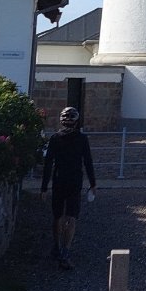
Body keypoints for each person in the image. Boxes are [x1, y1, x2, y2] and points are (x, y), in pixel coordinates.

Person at [40, 105, 96, 271]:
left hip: (59, 181)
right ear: (76, 122)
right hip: (75, 182)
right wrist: (93, 183)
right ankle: (65, 252)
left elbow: (48, 164)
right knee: (72, 217)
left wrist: (44, 187)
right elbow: (88, 161)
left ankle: (57, 247)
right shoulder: (82, 139)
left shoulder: (55, 138)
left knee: (57, 216)